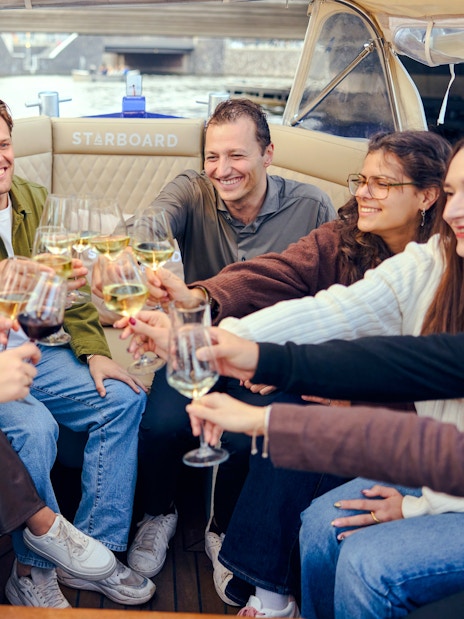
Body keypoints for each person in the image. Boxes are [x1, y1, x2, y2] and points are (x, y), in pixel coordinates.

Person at [114, 129, 450, 611]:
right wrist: (201, 308)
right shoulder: (352, 242)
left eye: (382, 184)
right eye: (362, 179)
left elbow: (407, 371)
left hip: (403, 426)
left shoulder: (438, 265)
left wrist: (321, 386)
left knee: (290, 422)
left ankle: (264, 586)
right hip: (318, 377)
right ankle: (263, 585)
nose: (362, 192)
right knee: (268, 412)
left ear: (428, 196)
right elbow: (295, 287)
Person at [121, 97, 336, 580]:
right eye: (213, 156)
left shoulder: (311, 206)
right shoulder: (191, 190)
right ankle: (159, 513)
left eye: (236, 155)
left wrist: (289, 361)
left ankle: (223, 529)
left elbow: (328, 297)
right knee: (159, 425)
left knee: (245, 438)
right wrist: (135, 255)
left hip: (262, 356)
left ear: (269, 154)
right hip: (195, 349)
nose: (223, 169)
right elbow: (151, 222)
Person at [0, 99, 154, 607]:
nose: (1, 158)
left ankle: (96, 550)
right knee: (36, 428)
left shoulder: (32, 197)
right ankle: (32, 569)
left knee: (121, 398)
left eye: (3, 145)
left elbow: (72, 286)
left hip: (40, 349)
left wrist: (92, 352)